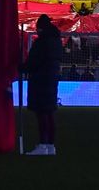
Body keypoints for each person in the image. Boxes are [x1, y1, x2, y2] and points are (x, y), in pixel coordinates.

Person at [23, 15, 63, 156]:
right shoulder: (57, 41)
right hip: (52, 80)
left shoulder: (42, 42)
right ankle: (50, 145)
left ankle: (42, 144)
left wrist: (21, 67)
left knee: (41, 114)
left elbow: (33, 62)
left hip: (40, 80)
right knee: (49, 113)